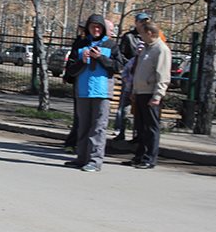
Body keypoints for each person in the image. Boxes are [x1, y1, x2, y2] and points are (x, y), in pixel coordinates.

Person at [63, 14, 124, 172]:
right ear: (88, 27)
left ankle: (95, 160)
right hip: (83, 91)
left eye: (99, 27)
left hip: (102, 92)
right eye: (92, 26)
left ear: (103, 28)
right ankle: (81, 158)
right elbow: (70, 69)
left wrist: (101, 58)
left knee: (98, 127)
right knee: (83, 126)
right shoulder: (80, 44)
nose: (96, 29)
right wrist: (81, 61)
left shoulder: (111, 45)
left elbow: (118, 67)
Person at [128, 22, 171, 169]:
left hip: (151, 93)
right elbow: (139, 71)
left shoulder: (161, 49)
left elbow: (163, 75)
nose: (140, 37)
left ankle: (150, 158)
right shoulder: (145, 48)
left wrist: (158, 95)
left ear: (150, 33)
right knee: (140, 127)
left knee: (151, 127)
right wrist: (134, 90)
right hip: (140, 91)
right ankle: (139, 156)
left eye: (142, 34)